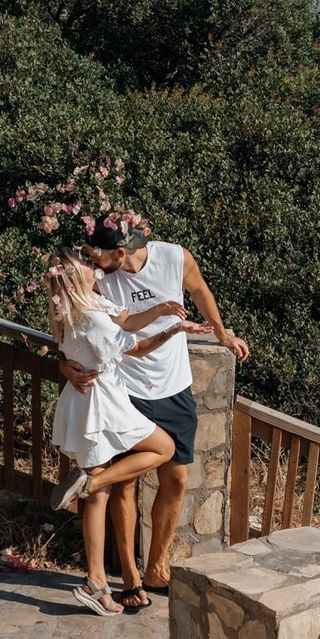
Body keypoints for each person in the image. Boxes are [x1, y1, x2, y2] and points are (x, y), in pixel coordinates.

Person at [61, 216, 250, 611]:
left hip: (174, 385)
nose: (93, 261)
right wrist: (62, 363)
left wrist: (222, 333)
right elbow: (71, 317)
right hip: (126, 389)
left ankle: (155, 567)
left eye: (99, 254)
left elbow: (200, 291)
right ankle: (130, 577)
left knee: (177, 478)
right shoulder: (97, 277)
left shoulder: (173, 258)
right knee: (126, 485)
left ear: (120, 252)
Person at [46, 249, 209, 616]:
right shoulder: (92, 319)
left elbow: (129, 322)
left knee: (101, 493)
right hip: (103, 402)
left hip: (87, 401)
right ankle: (89, 485)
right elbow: (133, 348)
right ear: (76, 280)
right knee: (160, 450)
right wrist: (173, 329)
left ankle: (97, 583)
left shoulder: (79, 310)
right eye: (86, 265)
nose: (94, 266)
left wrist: (168, 317)